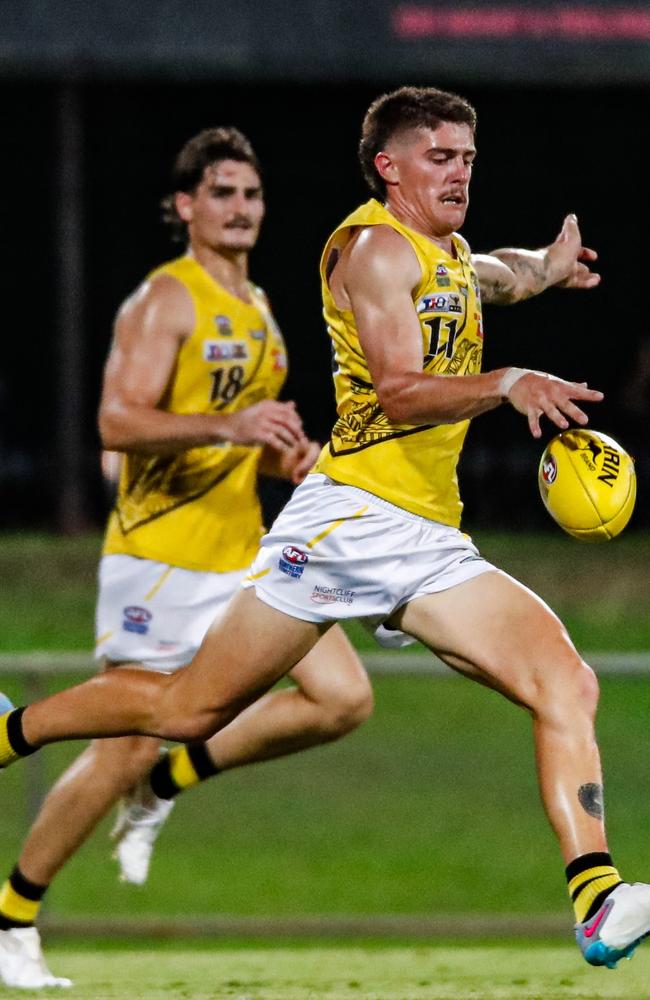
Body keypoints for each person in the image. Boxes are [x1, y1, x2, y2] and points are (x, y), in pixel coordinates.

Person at [2, 86, 644, 974]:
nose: (460, 170)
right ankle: (13, 732)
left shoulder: (446, 252)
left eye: (467, 156)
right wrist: (510, 379)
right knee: (190, 707)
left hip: (426, 539)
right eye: (439, 156)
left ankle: (597, 900)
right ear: (389, 166)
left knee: (566, 682)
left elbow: (500, 273)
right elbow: (398, 390)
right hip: (348, 521)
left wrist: (550, 262)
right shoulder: (375, 249)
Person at [0, 126, 374, 989]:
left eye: (251, 193)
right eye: (222, 193)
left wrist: (287, 453)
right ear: (185, 207)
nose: (241, 208)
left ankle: (169, 781)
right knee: (124, 743)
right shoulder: (165, 302)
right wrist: (231, 426)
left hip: (246, 548)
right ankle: (15, 917)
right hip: (163, 552)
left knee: (342, 697)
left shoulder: (260, 310)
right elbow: (116, 423)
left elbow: (250, 432)